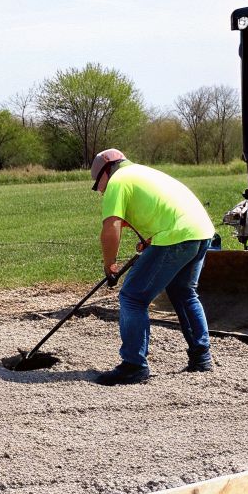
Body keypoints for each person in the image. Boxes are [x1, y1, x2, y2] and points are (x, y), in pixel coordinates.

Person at [89, 149, 217, 385]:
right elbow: (161, 210)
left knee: (132, 297)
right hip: (201, 231)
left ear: (106, 171)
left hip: (176, 236)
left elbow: (111, 227)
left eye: (99, 184)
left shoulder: (118, 180)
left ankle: (134, 365)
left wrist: (110, 264)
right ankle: (202, 357)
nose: (101, 191)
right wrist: (152, 241)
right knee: (184, 292)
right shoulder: (143, 173)